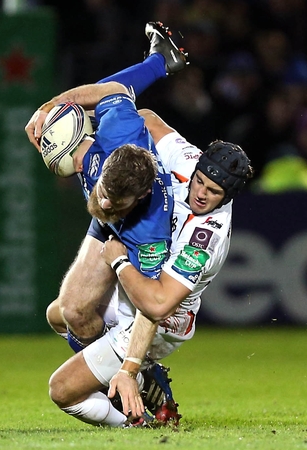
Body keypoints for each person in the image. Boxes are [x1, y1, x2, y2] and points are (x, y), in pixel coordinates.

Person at [45, 110, 254, 427]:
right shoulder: (189, 160)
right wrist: (86, 118)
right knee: (61, 314)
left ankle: (133, 420)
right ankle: (146, 381)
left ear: (227, 198)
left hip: (164, 319)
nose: (200, 193)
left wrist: (119, 262)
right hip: (139, 286)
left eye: (213, 192)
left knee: (62, 390)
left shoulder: (205, 236)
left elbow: (157, 305)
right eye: (200, 181)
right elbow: (146, 118)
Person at [24, 21, 188, 355]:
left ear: (140, 197)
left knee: (85, 320)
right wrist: (51, 106)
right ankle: (162, 60)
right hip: (113, 221)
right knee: (65, 314)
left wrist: (131, 364)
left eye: (113, 199)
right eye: (101, 192)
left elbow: (151, 309)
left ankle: (137, 376)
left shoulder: (150, 233)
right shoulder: (118, 131)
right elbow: (111, 91)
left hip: (135, 238)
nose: (103, 200)